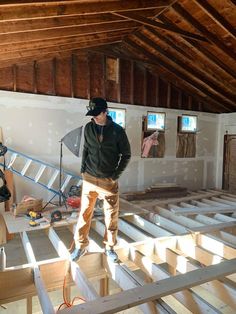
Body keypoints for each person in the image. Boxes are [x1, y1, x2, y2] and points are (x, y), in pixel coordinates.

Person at [71, 97, 131, 262]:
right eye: (93, 114)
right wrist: (83, 170)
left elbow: (126, 155)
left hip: (108, 180)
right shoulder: (88, 128)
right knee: (84, 213)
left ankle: (109, 247)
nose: (95, 117)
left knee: (111, 215)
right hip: (89, 178)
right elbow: (86, 149)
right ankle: (80, 246)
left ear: (106, 112)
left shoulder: (118, 131)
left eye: (98, 114)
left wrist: (115, 176)